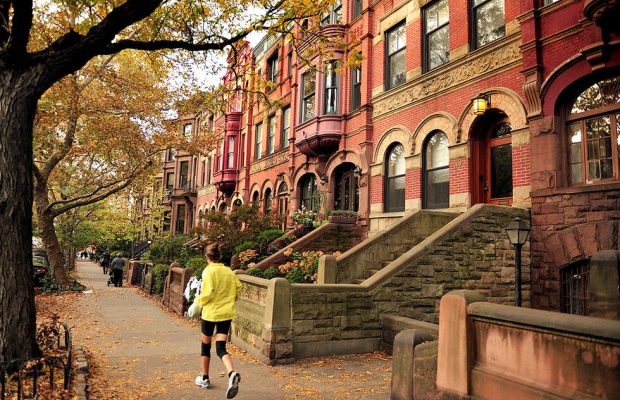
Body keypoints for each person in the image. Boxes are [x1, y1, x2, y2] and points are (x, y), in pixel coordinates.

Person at [193, 243, 242, 399]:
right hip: (226, 314)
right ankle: (231, 373)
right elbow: (238, 288)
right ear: (219, 256)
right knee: (221, 347)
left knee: (205, 345)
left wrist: (197, 301)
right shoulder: (229, 271)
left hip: (210, 314)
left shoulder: (208, 271)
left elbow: (207, 294)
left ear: (206, 257)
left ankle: (205, 378)